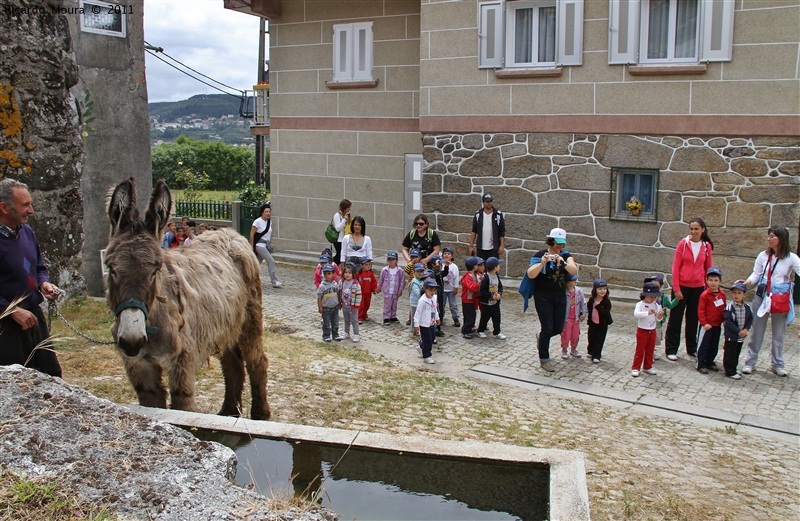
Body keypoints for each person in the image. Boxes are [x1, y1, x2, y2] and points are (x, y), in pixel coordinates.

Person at [0, 179, 62, 377]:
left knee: (50, 377)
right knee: (17, 386)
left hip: (34, 320)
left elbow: (38, 267)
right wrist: (10, 311)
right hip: (6, 329)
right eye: (25, 205)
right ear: (4, 207)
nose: (31, 210)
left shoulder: (26, 231)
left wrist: (43, 283)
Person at [739, 226, 800, 377]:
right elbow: (756, 273)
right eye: (769, 236)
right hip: (763, 295)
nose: (769, 239)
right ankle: (750, 362)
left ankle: (778, 364)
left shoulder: (791, 258)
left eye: (772, 236)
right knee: (757, 330)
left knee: (778, 333)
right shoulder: (763, 255)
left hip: (780, 297)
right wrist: (747, 282)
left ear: (781, 239)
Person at [526, 228, 578, 372]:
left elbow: (574, 270)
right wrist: (542, 263)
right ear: (551, 241)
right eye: (557, 243)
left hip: (560, 296)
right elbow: (531, 274)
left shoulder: (566, 256)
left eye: (562, 243)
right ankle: (544, 359)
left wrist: (564, 263)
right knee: (547, 327)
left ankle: (542, 337)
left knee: (558, 328)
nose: (559, 246)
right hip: (543, 296)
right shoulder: (540, 255)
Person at [665, 218, 714, 361]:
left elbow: (708, 268)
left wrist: (707, 288)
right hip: (682, 287)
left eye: (696, 229)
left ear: (703, 229)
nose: (693, 231)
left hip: (698, 288)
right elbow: (676, 266)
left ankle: (692, 348)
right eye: (691, 229)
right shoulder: (683, 244)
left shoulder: (706, 246)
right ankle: (671, 349)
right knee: (676, 319)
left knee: (693, 319)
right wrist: (676, 288)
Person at [695, 267, 726, 374]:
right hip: (707, 325)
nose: (713, 283)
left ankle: (710, 361)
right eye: (711, 280)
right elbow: (701, 311)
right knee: (703, 345)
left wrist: (724, 320)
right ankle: (700, 363)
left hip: (717, 325)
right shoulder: (704, 295)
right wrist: (704, 323)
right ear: (707, 281)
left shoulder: (722, 295)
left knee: (714, 345)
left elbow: (723, 308)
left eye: (716, 280)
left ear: (720, 282)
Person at [632, 282, 664, 377]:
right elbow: (636, 314)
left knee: (650, 350)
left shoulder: (656, 305)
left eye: (655, 297)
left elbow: (658, 319)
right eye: (651, 297)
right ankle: (636, 367)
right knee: (640, 350)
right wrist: (647, 313)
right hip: (642, 330)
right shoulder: (640, 304)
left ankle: (648, 366)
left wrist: (660, 316)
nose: (653, 299)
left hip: (652, 330)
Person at [722, 281, 753, 380]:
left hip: (741, 336)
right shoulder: (729, 308)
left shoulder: (747, 308)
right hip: (732, 335)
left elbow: (749, 319)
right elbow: (729, 322)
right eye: (734, 293)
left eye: (739, 293)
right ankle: (729, 371)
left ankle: (733, 368)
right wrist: (738, 331)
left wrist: (746, 329)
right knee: (729, 353)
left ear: (744, 295)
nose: (736, 295)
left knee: (736, 353)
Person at [644, 274, 678, 360]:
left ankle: (652, 351)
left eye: (656, 284)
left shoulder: (664, 297)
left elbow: (670, 305)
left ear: (661, 286)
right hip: (648, 322)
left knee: (655, 339)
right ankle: (648, 353)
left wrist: (677, 299)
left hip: (658, 323)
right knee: (647, 338)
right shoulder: (646, 296)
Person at [249, 202, 282, 288]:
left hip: (266, 245)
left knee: (256, 263)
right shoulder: (257, 222)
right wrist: (251, 247)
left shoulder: (269, 222)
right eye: (266, 211)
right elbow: (252, 234)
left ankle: (250, 279)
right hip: (259, 245)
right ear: (262, 213)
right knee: (271, 261)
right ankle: (274, 281)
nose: (268, 213)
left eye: (269, 211)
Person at [469, 193, 506, 261]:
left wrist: (502, 245)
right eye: (487, 202)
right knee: (481, 268)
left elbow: (502, 231)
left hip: (493, 248)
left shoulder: (498, 214)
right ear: (483, 202)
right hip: (481, 248)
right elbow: (474, 230)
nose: (489, 203)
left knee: (493, 268)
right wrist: (471, 245)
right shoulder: (478, 214)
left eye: (490, 201)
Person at [476, 256, 505, 340]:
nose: (499, 266)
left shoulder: (496, 276)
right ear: (495, 267)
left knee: (497, 317)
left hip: (495, 303)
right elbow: (482, 291)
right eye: (498, 265)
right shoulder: (486, 278)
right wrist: (491, 296)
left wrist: (499, 294)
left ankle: (497, 332)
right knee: (485, 317)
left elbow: (500, 286)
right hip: (487, 303)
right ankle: (481, 330)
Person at [560, 274, 587, 359]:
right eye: (573, 280)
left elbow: (583, 303)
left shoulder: (579, 291)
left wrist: (583, 314)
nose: (576, 281)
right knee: (566, 335)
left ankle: (574, 348)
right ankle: (564, 349)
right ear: (568, 282)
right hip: (566, 319)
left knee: (575, 335)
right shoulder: (563, 292)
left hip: (576, 318)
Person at [414, 278, 441, 364]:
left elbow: (434, 309)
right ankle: (427, 355)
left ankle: (422, 347)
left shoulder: (434, 298)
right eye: (430, 290)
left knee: (432, 338)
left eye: (434, 290)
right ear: (425, 289)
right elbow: (417, 313)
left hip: (432, 323)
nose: (432, 292)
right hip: (424, 324)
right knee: (428, 340)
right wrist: (416, 324)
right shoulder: (422, 301)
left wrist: (437, 318)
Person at [586, 279, 612, 363]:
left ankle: (597, 355)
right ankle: (590, 350)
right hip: (593, 322)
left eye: (604, 288)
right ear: (595, 290)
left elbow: (605, 312)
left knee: (599, 339)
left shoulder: (606, 301)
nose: (602, 291)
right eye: (600, 289)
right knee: (591, 337)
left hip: (602, 324)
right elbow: (588, 309)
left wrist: (598, 306)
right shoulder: (592, 299)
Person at [377, 251, 405, 324]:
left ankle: (393, 316)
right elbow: (381, 280)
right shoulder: (385, 270)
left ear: (396, 260)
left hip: (395, 290)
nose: (391, 261)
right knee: (387, 304)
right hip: (387, 290)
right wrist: (378, 287)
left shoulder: (400, 271)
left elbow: (402, 281)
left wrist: (400, 290)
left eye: (393, 259)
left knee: (394, 304)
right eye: (389, 259)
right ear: (387, 260)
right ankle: (386, 317)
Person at [317, 264, 342, 342]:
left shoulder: (335, 284)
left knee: (335, 322)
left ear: (333, 274)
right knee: (326, 322)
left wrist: (339, 303)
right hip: (326, 308)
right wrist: (320, 307)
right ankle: (326, 335)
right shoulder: (322, 286)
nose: (327, 276)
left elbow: (338, 294)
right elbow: (319, 298)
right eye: (325, 274)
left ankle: (335, 334)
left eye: (329, 273)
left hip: (335, 307)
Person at [460, 256, 483, 339]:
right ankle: (466, 330)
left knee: (472, 314)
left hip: (472, 299)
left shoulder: (472, 275)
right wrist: (480, 283)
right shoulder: (468, 276)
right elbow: (472, 287)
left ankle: (470, 327)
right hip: (467, 300)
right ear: (474, 266)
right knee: (469, 316)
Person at [339, 263, 362, 342]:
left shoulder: (355, 284)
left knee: (354, 320)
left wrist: (356, 306)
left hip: (352, 307)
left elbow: (358, 296)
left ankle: (356, 334)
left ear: (353, 274)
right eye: (346, 272)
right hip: (345, 305)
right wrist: (339, 302)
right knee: (346, 320)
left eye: (349, 273)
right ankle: (346, 332)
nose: (347, 275)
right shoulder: (341, 282)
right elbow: (339, 292)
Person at [441, 247, 460, 327]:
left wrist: (456, 287)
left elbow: (456, 278)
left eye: (448, 254)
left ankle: (455, 318)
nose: (446, 255)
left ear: (452, 256)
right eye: (445, 254)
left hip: (451, 289)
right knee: (442, 304)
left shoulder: (454, 267)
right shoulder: (441, 265)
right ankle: (440, 317)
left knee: (453, 305)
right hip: (442, 290)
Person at [357, 256, 377, 323]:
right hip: (361, 292)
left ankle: (364, 314)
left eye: (369, 264)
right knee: (361, 305)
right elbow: (355, 282)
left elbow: (373, 282)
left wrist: (374, 289)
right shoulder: (359, 274)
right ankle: (359, 317)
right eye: (366, 264)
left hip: (368, 293)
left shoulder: (371, 274)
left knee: (367, 304)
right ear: (361, 265)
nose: (368, 266)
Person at [332, 199, 352, 265]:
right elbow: (337, 228)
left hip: (344, 238)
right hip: (338, 240)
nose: (349, 209)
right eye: (348, 207)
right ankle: (331, 267)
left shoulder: (344, 215)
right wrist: (344, 220)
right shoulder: (337, 215)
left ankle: (334, 267)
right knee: (339, 256)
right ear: (345, 208)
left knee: (342, 256)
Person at [408, 263, 425, 335]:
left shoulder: (422, 280)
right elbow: (417, 292)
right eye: (418, 271)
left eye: (421, 271)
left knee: (419, 316)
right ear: (414, 272)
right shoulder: (415, 281)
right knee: (414, 316)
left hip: (420, 302)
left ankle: (418, 328)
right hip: (414, 302)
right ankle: (413, 329)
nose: (420, 273)